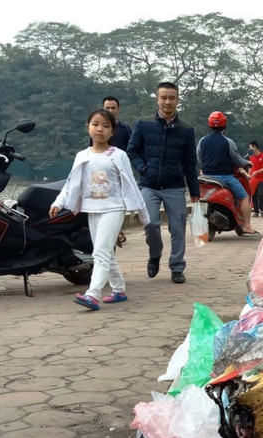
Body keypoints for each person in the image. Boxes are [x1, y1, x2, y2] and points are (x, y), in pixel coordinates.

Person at [49, 109, 150, 311]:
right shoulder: (82, 156)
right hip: (92, 210)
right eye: (95, 124)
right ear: (88, 128)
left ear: (112, 132)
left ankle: (92, 295)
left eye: (105, 126)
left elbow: (130, 183)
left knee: (100, 253)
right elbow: (71, 183)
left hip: (114, 209)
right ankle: (119, 290)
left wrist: (144, 215)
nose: (100, 129)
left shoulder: (119, 155)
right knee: (106, 254)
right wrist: (59, 202)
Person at [127, 82, 200, 284]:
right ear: (157, 99)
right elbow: (131, 151)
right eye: (164, 98)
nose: (168, 102)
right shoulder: (143, 124)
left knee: (178, 228)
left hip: (174, 186)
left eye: (172, 98)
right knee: (150, 223)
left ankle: (177, 266)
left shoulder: (186, 130)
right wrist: (144, 168)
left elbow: (190, 163)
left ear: (177, 100)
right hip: (149, 185)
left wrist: (194, 191)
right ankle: (155, 255)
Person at [197, 111, 258, 235]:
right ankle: (246, 225)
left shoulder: (202, 141)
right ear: (224, 125)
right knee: (244, 196)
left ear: (209, 124)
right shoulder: (228, 142)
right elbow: (237, 160)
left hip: (205, 176)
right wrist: (247, 163)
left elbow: (199, 157)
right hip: (224, 177)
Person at [248, 141, 263, 217]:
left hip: (261, 179)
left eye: (250, 147)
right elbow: (251, 168)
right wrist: (248, 174)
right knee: (253, 195)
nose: (249, 149)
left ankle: (262, 210)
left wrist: (257, 172)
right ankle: (256, 211)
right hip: (253, 179)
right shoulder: (251, 157)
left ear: (254, 147)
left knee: (261, 194)